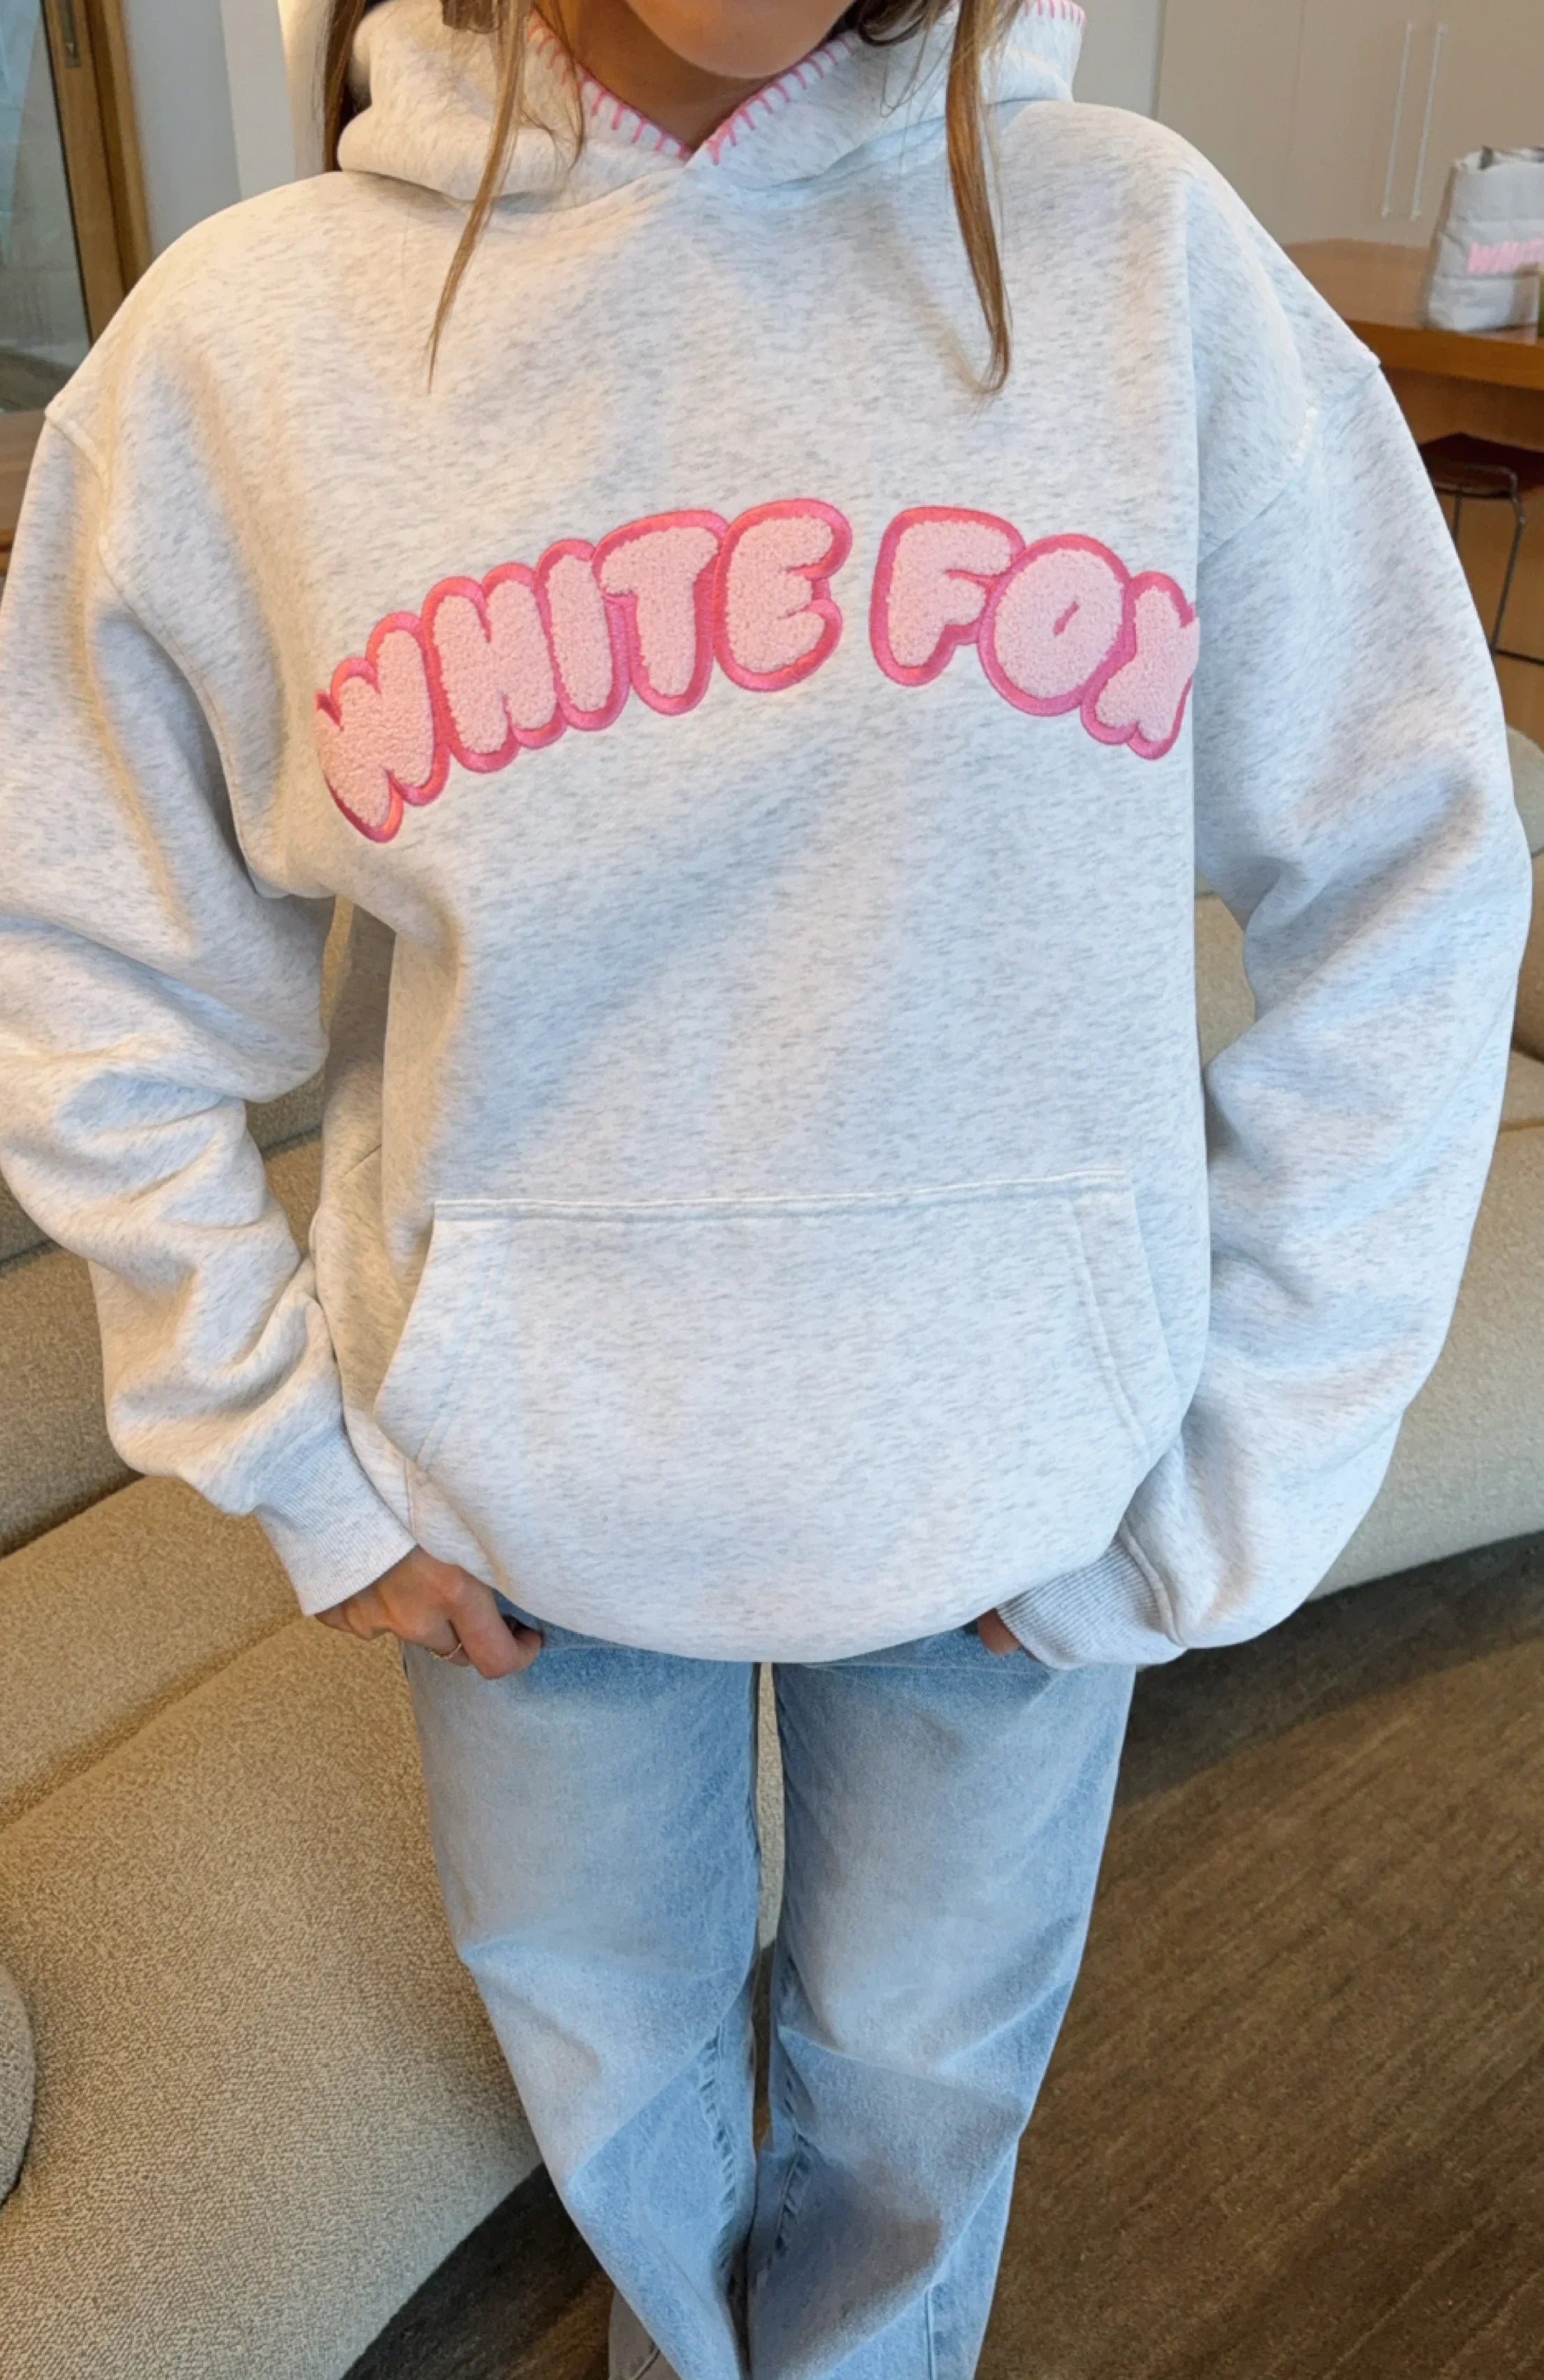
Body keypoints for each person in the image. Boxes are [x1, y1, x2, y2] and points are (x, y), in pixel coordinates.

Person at [0, 0, 1531, 2370]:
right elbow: (86, 967)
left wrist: (1236, 1464)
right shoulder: (244, 345)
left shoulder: (1151, 271)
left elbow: (1412, 870)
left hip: (1024, 1503)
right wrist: (288, 1453)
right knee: (611, 2064)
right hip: (514, 1517)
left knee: (919, 2093)